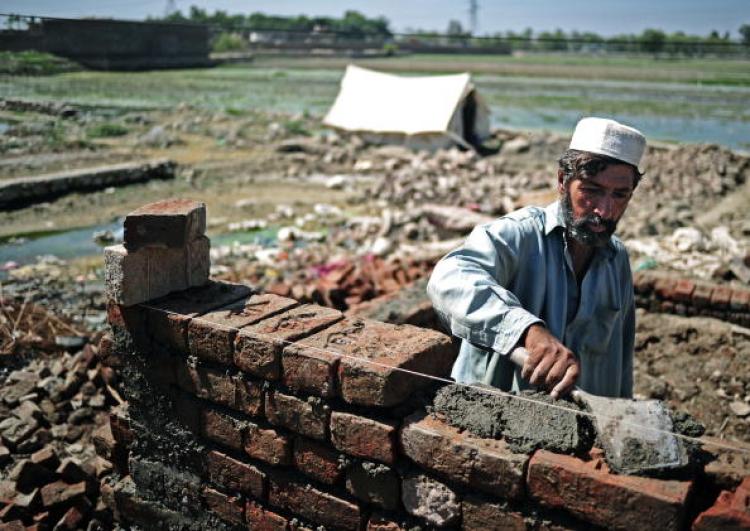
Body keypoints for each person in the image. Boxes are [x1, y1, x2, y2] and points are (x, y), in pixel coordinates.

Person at [427, 117, 646, 399]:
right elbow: (449, 278)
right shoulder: (519, 235)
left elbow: (621, 358)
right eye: (591, 191)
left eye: (619, 195)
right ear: (562, 181)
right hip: (489, 424)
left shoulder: (617, 259)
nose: (604, 210)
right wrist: (525, 330)